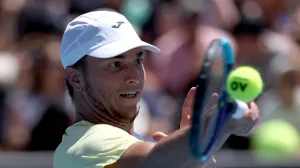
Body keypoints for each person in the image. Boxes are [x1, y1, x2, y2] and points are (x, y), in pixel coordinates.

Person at [54, 9, 260, 168]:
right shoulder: (84, 145)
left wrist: (201, 139)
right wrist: (216, 125)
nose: (135, 76)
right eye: (116, 64)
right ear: (75, 78)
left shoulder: (131, 147)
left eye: (138, 60)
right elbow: (157, 160)